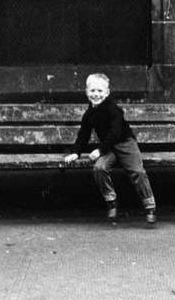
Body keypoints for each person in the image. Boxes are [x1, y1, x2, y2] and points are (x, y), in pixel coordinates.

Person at [63, 73, 157, 225]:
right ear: (87, 92)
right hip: (110, 147)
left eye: (100, 91)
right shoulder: (89, 114)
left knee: (137, 172)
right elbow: (83, 134)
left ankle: (149, 206)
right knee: (99, 168)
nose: (96, 94)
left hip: (125, 143)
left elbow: (116, 133)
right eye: (93, 90)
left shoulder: (113, 110)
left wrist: (100, 150)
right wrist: (76, 152)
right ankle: (111, 201)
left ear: (107, 93)